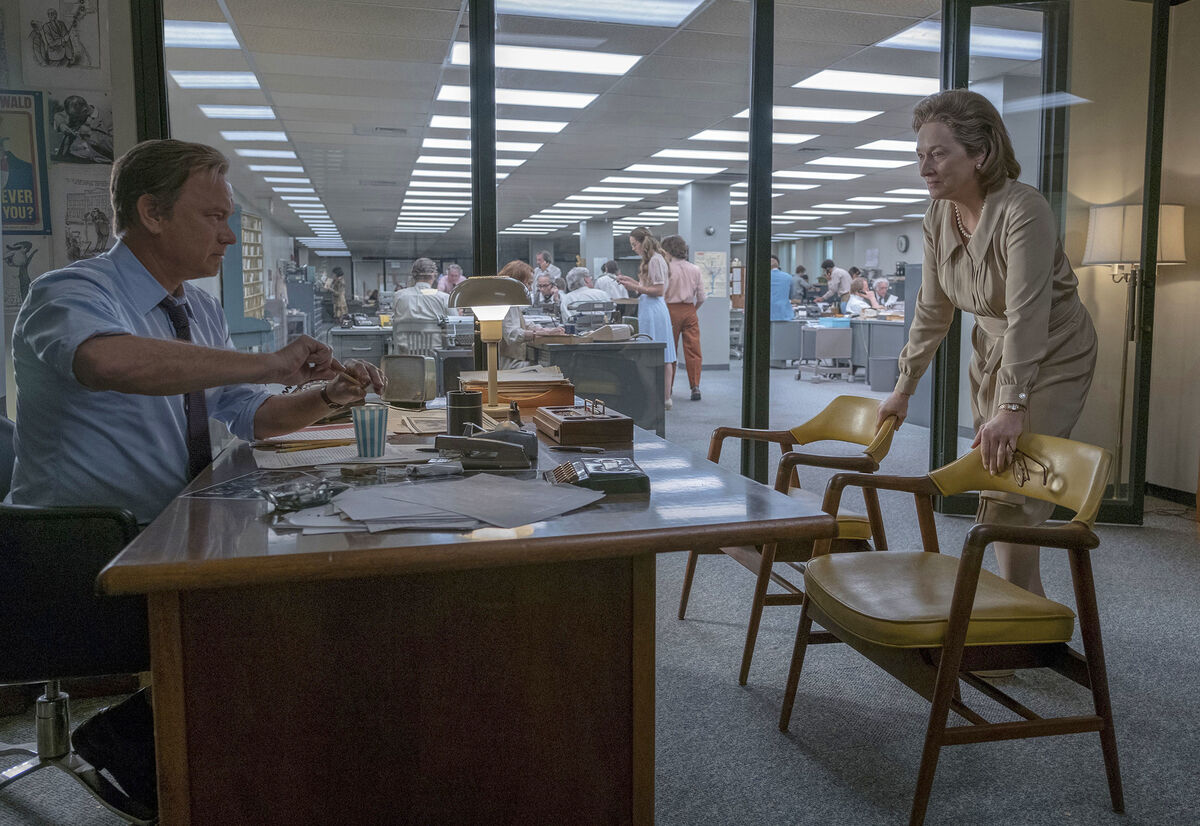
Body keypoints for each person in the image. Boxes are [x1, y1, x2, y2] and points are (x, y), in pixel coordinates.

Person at [9, 139, 384, 814]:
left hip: (170, 537)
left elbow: (255, 418)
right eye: (213, 217)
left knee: (325, 588)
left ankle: (199, 761)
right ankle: (143, 750)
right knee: (279, 612)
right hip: (77, 558)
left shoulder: (200, 310)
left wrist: (329, 397)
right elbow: (109, 365)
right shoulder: (69, 292)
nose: (230, 234)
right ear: (151, 213)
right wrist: (269, 363)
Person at [877, 88, 1097, 598]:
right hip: (992, 348)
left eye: (938, 153)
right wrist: (903, 388)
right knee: (994, 473)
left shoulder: (1025, 209)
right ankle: (1024, 605)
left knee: (1013, 482)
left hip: (1054, 348)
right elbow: (934, 310)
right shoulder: (938, 215)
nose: (925, 167)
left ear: (980, 153)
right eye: (920, 155)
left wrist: (1013, 402)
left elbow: (1027, 314)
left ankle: (1018, 609)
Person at [617, 227, 677, 409]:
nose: (633, 248)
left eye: (634, 244)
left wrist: (637, 288)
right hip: (650, 309)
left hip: (654, 311)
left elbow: (658, 291)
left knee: (657, 355)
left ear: (643, 243)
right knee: (658, 355)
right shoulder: (654, 260)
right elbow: (649, 287)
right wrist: (633, 283)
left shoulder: (655, 261)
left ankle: (660, 398)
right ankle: (660, 398)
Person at [661, 234, 705, 401]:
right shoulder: (695, 269)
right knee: (694, 350)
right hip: (690, 310)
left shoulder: (666, 269)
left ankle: (668, 388)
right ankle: (695, 387)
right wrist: (693, 309)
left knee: (670, 351)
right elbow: (701, 297)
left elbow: (661, 292)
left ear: (667, 250)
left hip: (670, 310)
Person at [496, 260, 564, 368]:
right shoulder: (506, 302)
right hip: (508, 364)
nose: (530, 288)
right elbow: (513, 334)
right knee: (551, 368)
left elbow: (522, 322)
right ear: (516, 281)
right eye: (528, 283)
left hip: (512, 360)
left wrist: (544, 330)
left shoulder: (510, 300)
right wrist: (540, 334)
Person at [392, 257, 450, 321]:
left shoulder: (399, 296)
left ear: (413, 276)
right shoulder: (444, 298)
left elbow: (394, 320)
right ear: (434, 276)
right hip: (435, 331)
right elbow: (456, 323)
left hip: (404, 331)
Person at [769, 254, 793, 321]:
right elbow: (791, 295)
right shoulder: (788, 277)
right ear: (778, 265)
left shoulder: (761, 277)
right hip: (784, 314)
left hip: (767, 314)